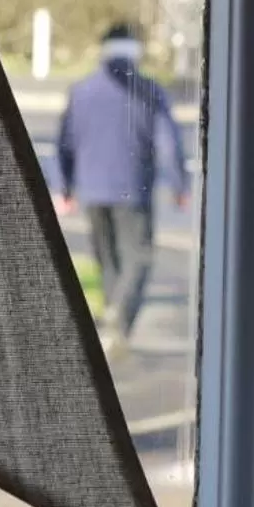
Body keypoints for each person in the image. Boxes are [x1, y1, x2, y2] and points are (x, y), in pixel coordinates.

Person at [55, 22, 191, 353]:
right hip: (133, 189)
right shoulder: (148, 91)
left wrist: (65, 187)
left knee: (108, 257)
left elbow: (65, 142)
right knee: (138, 257)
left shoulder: (82, 91)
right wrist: (179, 184)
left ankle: (114, 313)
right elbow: (167, 142)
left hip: (92, 190)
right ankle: (120, 316)